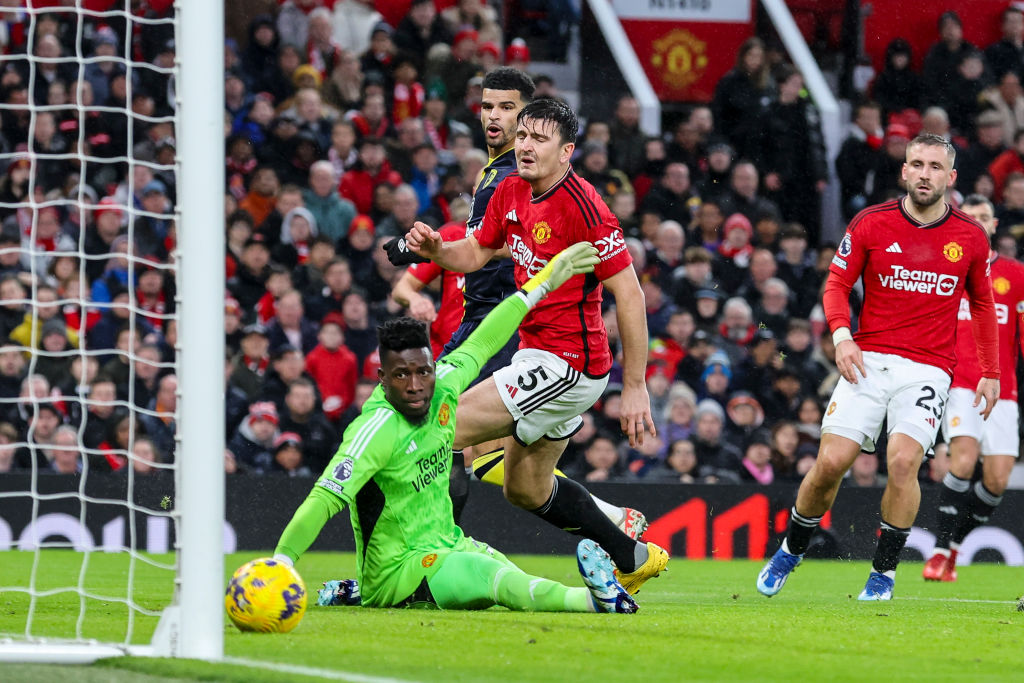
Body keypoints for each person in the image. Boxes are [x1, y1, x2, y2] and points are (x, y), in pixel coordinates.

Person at [272, 243, 637, 613]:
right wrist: (281, 562)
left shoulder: (444, 384)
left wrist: (543, 284)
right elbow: (325, 499)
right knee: (492, 578)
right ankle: (597, 601)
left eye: (422, 372)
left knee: (501, 568)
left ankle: (353, 592)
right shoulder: (376, 428)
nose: (416, 386)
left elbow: (486, 337)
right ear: (382, 379)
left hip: (448, 543)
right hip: (399, 571)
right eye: (401, 376)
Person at [405, 98, 668, 592]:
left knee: (442, 428)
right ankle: (631, 555)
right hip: (538, 355)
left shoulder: (586, 206)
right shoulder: (509, 190)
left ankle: (426, 565)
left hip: (569, 365)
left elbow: (630, 296)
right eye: (522, 135)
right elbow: (477, 251)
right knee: (524, 491)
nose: (524, 145)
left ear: (566, 151)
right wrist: (439, 250)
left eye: (538, 138)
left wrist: (635, 387)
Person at [757, 134, 1000, 601]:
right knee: (830, 463)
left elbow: (985, 306)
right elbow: (836, 283)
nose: (924, 173)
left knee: (904, 461)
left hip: (928, 368)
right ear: (903, 171)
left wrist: (990, 370)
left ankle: (883, 572)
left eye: (934, 166)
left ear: (950, 178)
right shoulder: (871, 223)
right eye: (916, 164)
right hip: (868, 358)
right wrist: (842, 336)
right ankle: (791, 548)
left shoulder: (970, 236)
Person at [923, 195, 1024, 582]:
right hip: (961, 382)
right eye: (972, 217)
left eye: (985, 217)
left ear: (995, 225)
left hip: (1004, 389)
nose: (980, 223)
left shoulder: (1015, 275)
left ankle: (952, 547)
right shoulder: (947, 269)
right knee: (963, 460)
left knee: (997, 479)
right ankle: (936, 551)